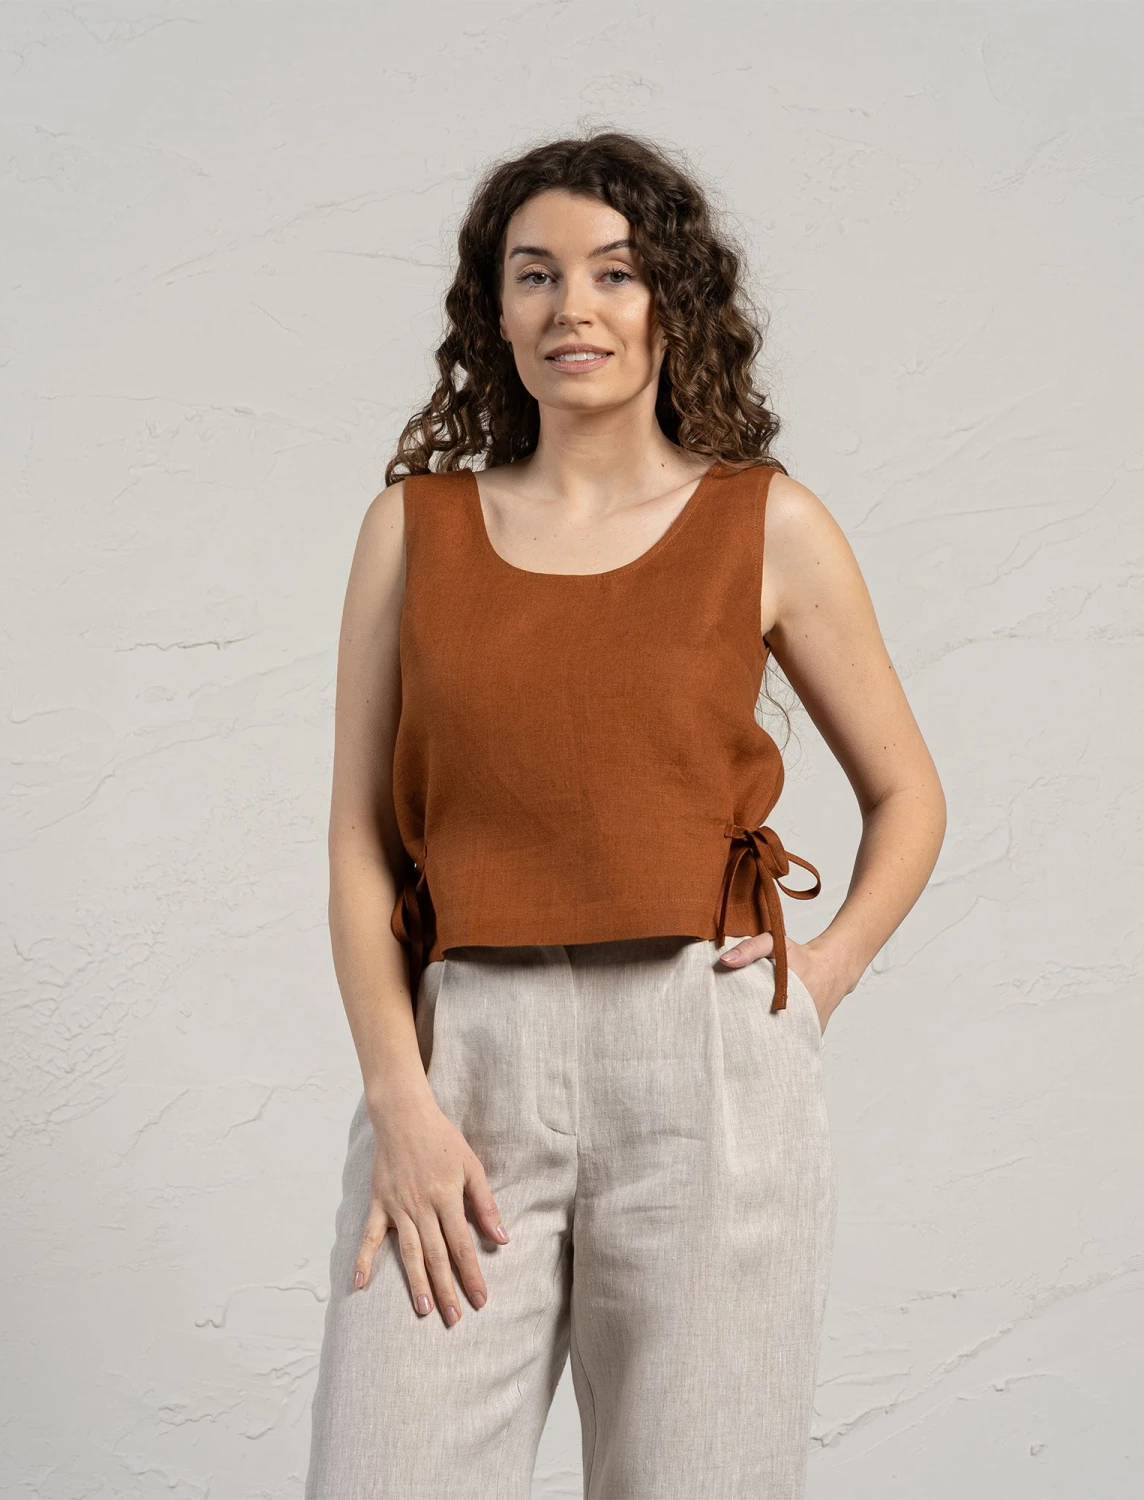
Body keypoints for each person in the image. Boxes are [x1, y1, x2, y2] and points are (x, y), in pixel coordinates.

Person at [304, 130, 946, 1500]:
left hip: (702, 1063)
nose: (573, 308)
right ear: (494, 309)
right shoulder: (412, 530)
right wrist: (400, 1096)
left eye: (615, 271)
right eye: (534, 275)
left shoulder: (768, 523)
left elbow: (909, 795)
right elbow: (361, 841)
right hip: (462, 1065)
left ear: (673, 300)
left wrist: (816, 985)